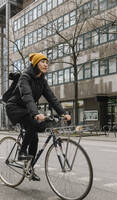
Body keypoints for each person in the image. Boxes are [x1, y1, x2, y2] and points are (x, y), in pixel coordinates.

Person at [6, 53, 71, 181]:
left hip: (27, 109)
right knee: (34, 124)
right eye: (42, 61)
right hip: (15, 108)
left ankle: (29, 169)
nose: (46, 64)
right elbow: (27, 96)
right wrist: (36, 114)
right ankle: (22, 152)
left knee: (34, 137)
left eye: (47, 62)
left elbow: (52, 98)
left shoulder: (42, 81)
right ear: (35, 64)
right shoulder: (25, 77)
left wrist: (63, 113)